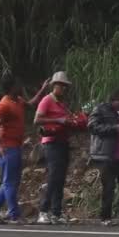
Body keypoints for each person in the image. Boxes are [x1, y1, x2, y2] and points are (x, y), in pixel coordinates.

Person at [0, 72, 49, 224]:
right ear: (12, 87)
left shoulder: (18, 100)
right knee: (10, 183)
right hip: (7, 148)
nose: (20, 86)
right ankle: (15, 215)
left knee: (9, 182)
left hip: (16, 147)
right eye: (18, 84)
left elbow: (31, 104)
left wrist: (43, 89)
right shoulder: (4, 104)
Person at [88, 85, 119, 227]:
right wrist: (114, 128)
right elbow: (92, 126)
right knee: (109, 187)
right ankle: (105, 217)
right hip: (106, 155)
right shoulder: (101, 109)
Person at [34, 71, 75, 225]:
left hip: (63, 142)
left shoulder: (62, 103)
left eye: (65, 86)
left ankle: (56, 212)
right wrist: (57, 119)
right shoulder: (47, 100)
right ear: (54, 85)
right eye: (61, 86)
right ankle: (43, 211)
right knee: (54, 177)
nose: (64, 89)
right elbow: (37, 120)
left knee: (61, 178)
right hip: (51, 142)